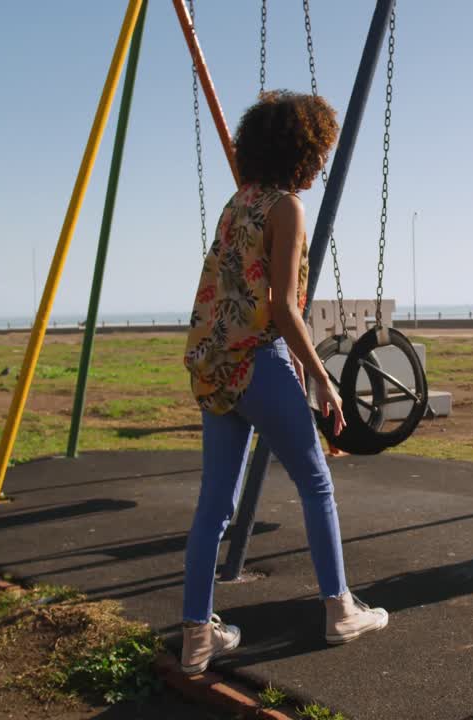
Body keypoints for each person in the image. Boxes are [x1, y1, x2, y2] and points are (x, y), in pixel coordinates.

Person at [180, 91, 388, 675]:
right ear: (302, 150)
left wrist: (294, 364)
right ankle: (340, 610)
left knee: (214, 506)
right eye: (320, 151)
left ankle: (197, 634)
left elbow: (234, 295)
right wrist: (323, 378)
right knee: (316, 483)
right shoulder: (287, 209)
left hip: (216, 363)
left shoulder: (236, 203)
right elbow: (281, 307)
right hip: (258, 360)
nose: (323, 162)